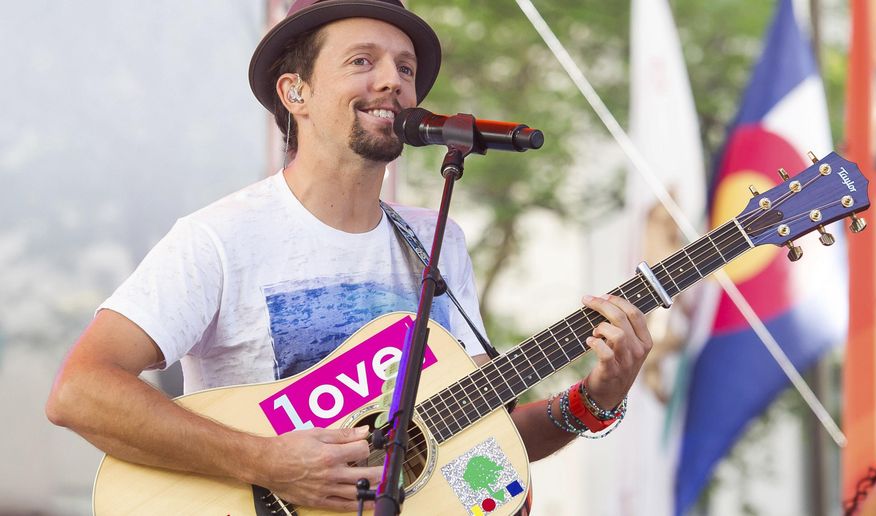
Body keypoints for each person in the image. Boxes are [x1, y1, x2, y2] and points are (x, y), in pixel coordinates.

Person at [46, 0, 653, 512]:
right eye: (363, 61)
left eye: (406, 68)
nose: (394, 80)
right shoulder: (220, 238)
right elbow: (81, 391)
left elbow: (465, 439)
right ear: (296, 92)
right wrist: (270, 463)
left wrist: (594, 402)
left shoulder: (437, 242)